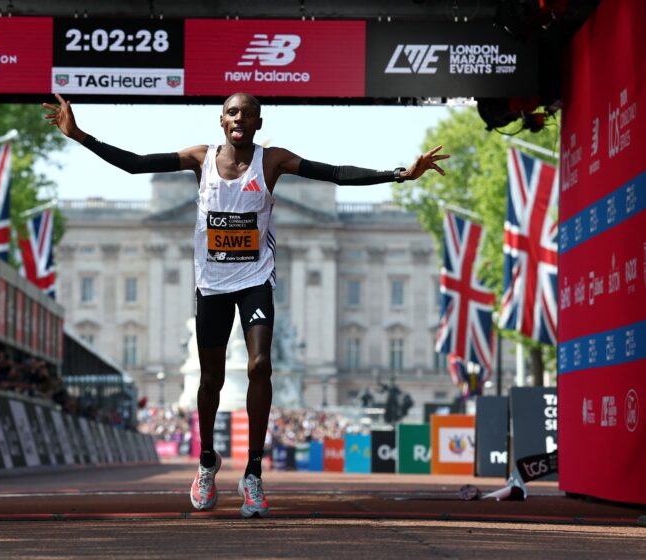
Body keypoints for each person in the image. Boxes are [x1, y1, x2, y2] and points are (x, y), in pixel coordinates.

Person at [43, 92, 449, 518]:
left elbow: (334, 174)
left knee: (260, 366)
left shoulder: (271, 161)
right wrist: (79, 135)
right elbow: (136, 163)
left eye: (248, 114)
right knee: (210, 379)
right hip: (212, 285)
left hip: (255, 280)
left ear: (258, 123)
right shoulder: (201, 159)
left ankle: (253, 471)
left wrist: (400, 174)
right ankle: (206, 462)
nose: (240, 119)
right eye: (233, 112)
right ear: (222, 120)